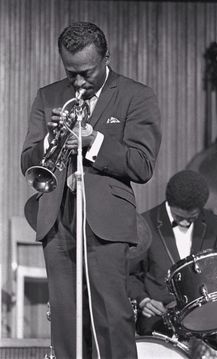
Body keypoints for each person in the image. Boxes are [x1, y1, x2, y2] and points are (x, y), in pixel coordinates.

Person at [21, 22, 161, 359]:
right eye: (71, 73)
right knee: (65, 322)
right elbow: (27, 161)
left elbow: (142, 164)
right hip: (58, 221)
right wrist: (51, 140)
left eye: (87, 72)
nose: (79, 81)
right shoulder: (49, 96)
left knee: (112, 317)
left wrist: (93, 141)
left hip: (107, 223)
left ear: (106, 58)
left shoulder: (136, 95)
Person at [128, 169, 217, 357]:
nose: (185, 223)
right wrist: (143, 300)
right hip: (159, 313)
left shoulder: (215, 224)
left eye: (191, 218)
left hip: (207, 314)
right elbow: (129, 275)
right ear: (169, 204)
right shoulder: (144, 223)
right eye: (179, 218)